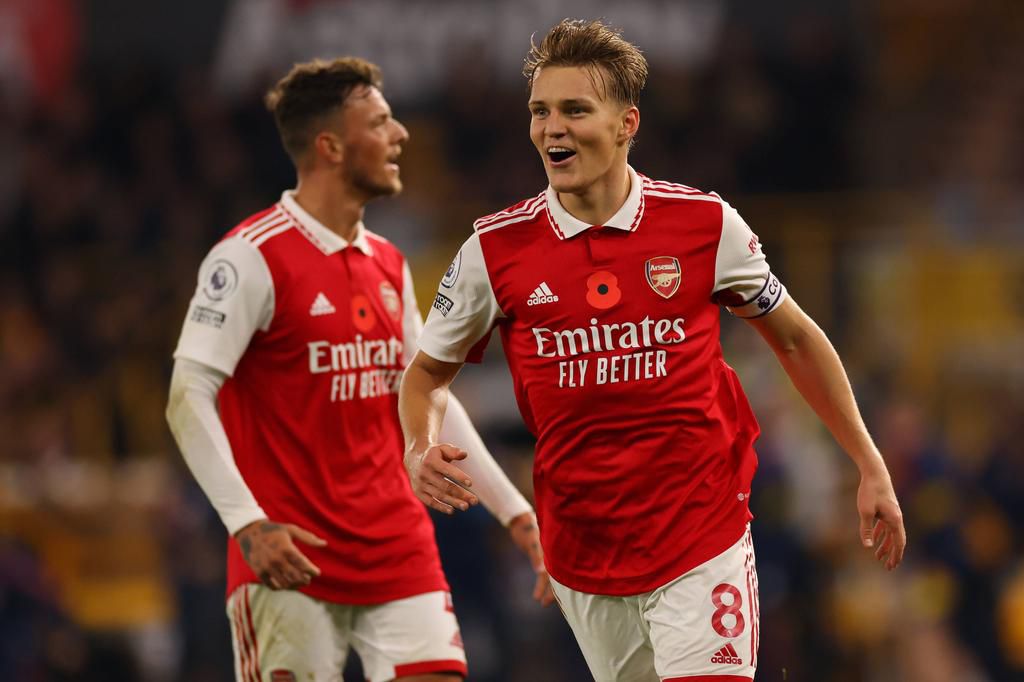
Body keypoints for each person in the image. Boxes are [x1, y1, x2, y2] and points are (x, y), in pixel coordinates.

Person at [399, 19, 906, 682]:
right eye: (540, 112)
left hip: (702, 534)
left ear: (626, 124)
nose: (552, 129)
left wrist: (868, 461)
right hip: (583, 552)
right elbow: (426, 375)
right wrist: (419, 445)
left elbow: (795, 337)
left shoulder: (704, 225)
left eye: (575, 110)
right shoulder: (492, 252)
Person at [166, 57, 550, 682]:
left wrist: (515, 512)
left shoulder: (389, 262)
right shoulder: (249, 258)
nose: (400, 134)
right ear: (330, 146)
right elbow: (187, 394)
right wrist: (247, 525)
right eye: (379, 122)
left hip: (397, 548)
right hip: (290, 555)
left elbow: (428, 397)